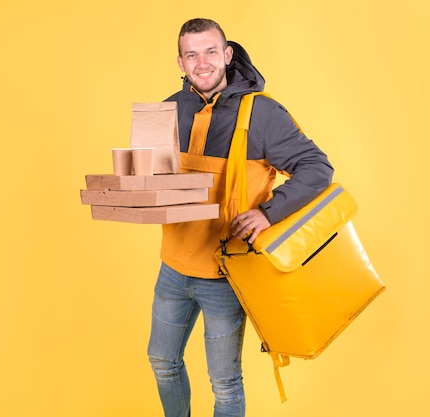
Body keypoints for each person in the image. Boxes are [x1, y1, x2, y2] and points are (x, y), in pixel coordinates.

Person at [147, 18, 334, 417]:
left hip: (225, 274)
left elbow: (317, 168)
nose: (202, 62)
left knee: (225, 384)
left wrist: (268, 213)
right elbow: (152, 180)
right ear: (180, 62)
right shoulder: (166, 109)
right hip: (173, 266)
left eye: (211, 51)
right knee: (162, 362)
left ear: (227, 55)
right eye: (191, 54)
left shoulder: (262, 113)